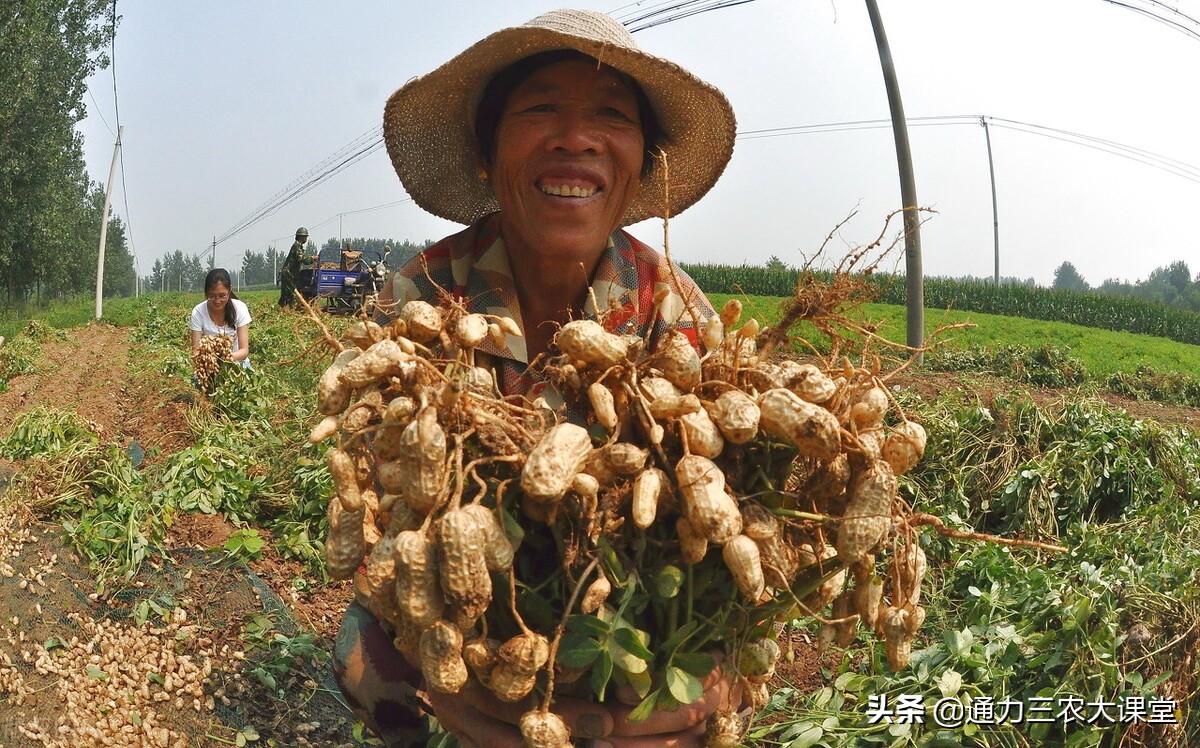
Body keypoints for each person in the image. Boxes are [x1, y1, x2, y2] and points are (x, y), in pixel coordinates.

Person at [334, 9, 740, 747]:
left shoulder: (675, 313)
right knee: (360, 652)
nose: (576, 137)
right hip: (470, 616)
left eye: (611, 116)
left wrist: (706, 686)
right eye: (542, 108)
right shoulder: (421, 298)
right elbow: (371, 521)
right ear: (489, 154)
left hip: (626, 620)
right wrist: (448, 686)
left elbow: (730, 523)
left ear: (642, 162)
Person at [190, 267, 251, 369]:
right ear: (205, 293)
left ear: (229, 291)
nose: (217, 301)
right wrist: (210, 361)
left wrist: (224, 359)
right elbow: (196, 353)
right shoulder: (198, 312)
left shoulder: (240, 308)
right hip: (209, 366)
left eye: (222, 296)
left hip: (237, 363)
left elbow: (244, 351)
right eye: (212, 296)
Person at [280, 226, 308, 307]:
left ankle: (282, 310)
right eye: (305, 237)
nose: (306, 239)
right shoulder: (297, 246)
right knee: (291, 294)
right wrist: (312, 259)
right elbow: (301, 259)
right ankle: (292, 311)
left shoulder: (298, 246)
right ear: (301, 237)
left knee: (285, 295)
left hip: (289, 274)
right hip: (288, 274)